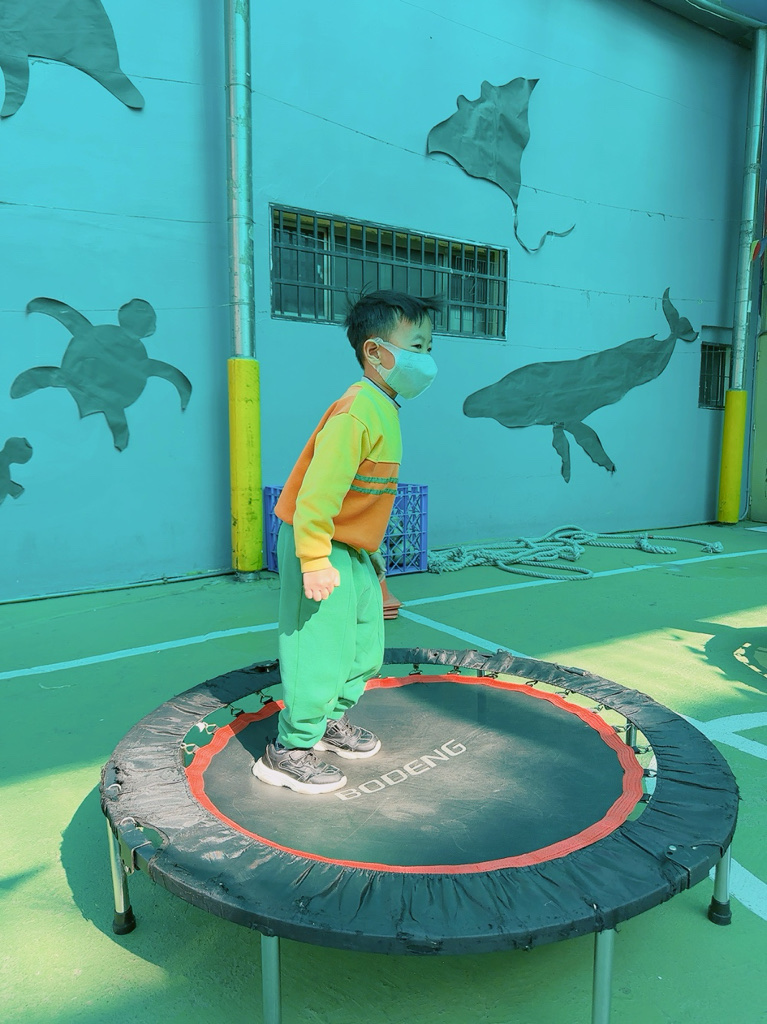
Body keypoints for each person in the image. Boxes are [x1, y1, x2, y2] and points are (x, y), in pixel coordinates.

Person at [252, 290, 440, 794]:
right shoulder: (356, 410)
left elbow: (364, 497)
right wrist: (314, 559)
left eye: (429, 347)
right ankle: (290, 749)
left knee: (363, 646)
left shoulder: (384, 408)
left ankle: (329, 721)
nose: (427, 359)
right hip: (320, 542)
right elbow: (318, 494)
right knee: (319, 647)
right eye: (416, 346)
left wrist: (371, 558)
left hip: (352, 548)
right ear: (375, 352)